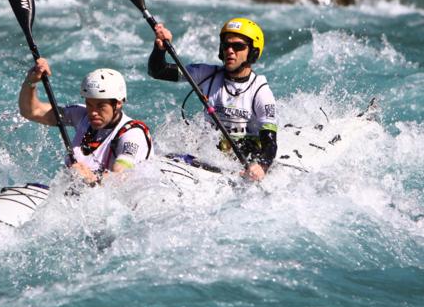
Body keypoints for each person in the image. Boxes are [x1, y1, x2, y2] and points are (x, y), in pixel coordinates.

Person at [148, 17, 277, 181]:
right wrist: (159, 49)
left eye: (237, 46)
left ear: (253, 52)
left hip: (242, 161)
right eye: (226, 45)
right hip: (211, 155)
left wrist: (261, 166)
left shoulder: (260, 91)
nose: (230, 50)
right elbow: (157, 71)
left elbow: (270, 143)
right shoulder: (205, 74)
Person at [19, 58, 152, 184]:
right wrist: (31, 82)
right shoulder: (81, 115)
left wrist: (92, 179)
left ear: (117, 104)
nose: (92, 112)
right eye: (89, 104)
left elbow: (121, 176)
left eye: (101, 106)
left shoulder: (133, 134)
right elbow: (32, 112)